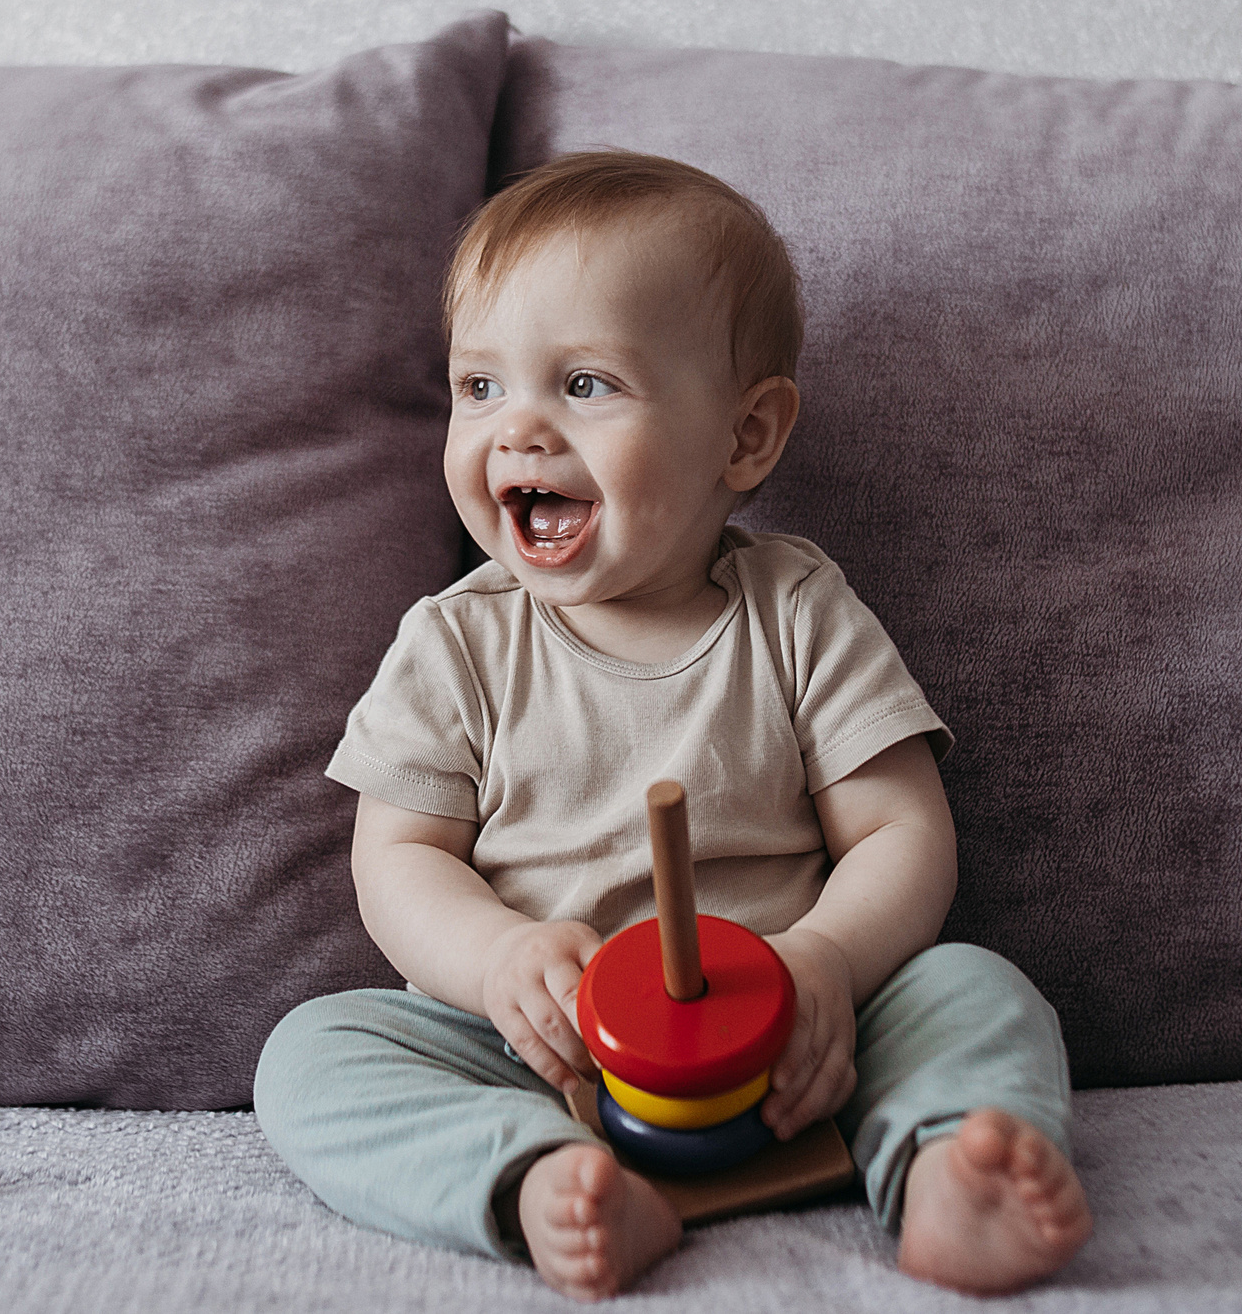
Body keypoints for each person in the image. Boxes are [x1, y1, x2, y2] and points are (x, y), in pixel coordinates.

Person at [255, 151, 1090, 1300]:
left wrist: (825, 968)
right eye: (480, 387)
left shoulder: (796, 612)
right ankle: (538, 1178)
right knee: (313, 1053)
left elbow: (902, 833)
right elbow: (396, 860)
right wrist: (497, 959)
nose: (519, 433)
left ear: (745, 438)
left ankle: (944, 1166)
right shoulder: (457, 645)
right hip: (541, 1058)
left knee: (976, 993)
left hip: (793, 1052)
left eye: (585, 384)